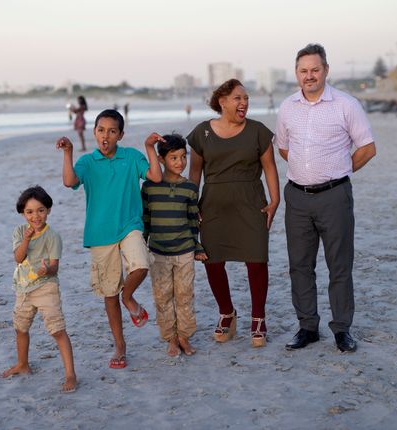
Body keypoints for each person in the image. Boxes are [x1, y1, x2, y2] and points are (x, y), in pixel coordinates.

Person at [274, 43, 376, 353]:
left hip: (334, 197)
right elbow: (283, 147)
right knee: (299, 265)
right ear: (296, 73)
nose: (309, 76)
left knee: (339, 265)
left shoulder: (346, 104)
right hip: (298, 198)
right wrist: (307, 171)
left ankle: (342, 329)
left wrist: (340, 170)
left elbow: (367, 148)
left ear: (326, 71)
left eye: (315, 70)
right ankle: (307, 327)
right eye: (303, 71)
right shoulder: (287, 107)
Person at [56, 109, 163, 369]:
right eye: (101, 130)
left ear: (120, 135)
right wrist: (68, 152)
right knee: (109, 292)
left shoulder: (131, 157)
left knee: (141, 265)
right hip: (100, 234)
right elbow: (69, 181)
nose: (106, 136)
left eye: (112, 131)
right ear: (94, 132)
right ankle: (120, 345)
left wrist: (149, 147)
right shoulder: (87, 162)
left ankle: (130, 299)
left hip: (129, 226)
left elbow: (156, 176)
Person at [188, 79, 280, 348]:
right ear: (222, 101)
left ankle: (259, 318)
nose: (244, 103)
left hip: (251, 202)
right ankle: (227, 313)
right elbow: (194, 173)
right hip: (213, 205)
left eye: (246, 98)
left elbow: (270, 167)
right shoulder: (202, 132)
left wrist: (275, 200)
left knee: (256, 260)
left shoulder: (258, 131)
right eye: (238, 98)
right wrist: (191, 205)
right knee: (213, 261)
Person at [2, 186, 77, 393]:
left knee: (57, 330)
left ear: (49, 210)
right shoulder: (19, 231)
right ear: (23, 213)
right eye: (30, 212)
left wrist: (47, 270)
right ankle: (22, 364)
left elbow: (55, 266)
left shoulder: (53, 236)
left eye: (41, 210)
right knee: (21, 327)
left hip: (46, 288)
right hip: (23, 288)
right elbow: (18, 258)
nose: (36, 216)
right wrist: (26, 238)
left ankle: (70, 374)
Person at [142, 134, 208, 357]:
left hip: (184, 252)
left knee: (184, 296)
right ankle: (170, 338)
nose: (180, 162)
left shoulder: (189, 188)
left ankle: (184, 337)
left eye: (183, 157)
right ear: (161, 160)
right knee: (162, 297)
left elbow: (193, 220)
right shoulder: (149, 187)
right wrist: (142, 244)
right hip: (158, 253)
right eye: (173, 158)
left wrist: (197, 246)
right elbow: (146, 220)